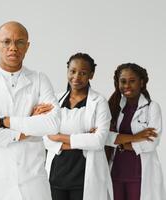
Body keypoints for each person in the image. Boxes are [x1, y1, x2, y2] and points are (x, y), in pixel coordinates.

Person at [0, 21, 60, 200]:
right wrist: (24, 131)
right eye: (7, 42)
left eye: (20, 42)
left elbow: (53, 124)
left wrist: (1, 122)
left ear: (27, 46)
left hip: (33, 184)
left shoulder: (40, 79)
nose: (13, 48)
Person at [44, 53, 113, 200]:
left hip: (84, 175)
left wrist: (59, 137)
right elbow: (46, 138)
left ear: (91, 75)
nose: (76, 77)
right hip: (57, 173)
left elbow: (98, 141)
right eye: (73, 71)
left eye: (83, 73)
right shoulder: (55, 99)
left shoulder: (99, 102)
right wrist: (85, 138)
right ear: (67, 71)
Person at [105, 63, 166, 200]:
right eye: (123, 81)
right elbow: (105, 137)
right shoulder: (113, 107)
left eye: (132, 81)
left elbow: (150, 144)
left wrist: (120, 143)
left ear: (141, 82)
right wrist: (136, 137)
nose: (127, 85)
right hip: (116, 172)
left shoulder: (152, 107)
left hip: (139, 174)